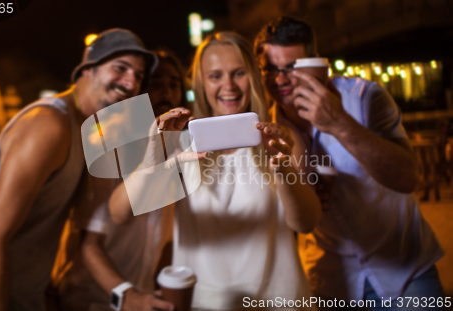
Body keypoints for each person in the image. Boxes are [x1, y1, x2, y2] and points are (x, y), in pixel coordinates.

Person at [109, 32, 322, 310]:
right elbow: (118, 213)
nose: (228, 86)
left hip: (280, 300)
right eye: (215, 76)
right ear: (201, 84)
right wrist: (150, 168)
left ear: (253, 78)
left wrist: (282, 168)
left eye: (238, 73)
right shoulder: (181, 145)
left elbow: (305, 223)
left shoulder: (279, 139)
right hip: (204, 302)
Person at [0, 28, 157, 311]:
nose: (130, 82)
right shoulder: (50, 123)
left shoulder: (87, 132)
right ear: (88, 68)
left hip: (23, 293)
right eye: (120, 68)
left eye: (138, 75)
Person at [254, 16, 445, 309]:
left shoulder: (364, 97)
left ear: (315, 63)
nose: (279, 80)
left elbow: (409, 178)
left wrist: (340, 124)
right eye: (270, 69)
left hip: (407, 270)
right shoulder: (265, 130)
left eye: (291, 68)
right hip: (332, 280)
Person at [55, 49, 188, 311]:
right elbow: (89, 244)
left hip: (142, 298)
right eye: (156, 82)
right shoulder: (109, 147)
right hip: (91, 299)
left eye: (174, 84)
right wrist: (126, 295)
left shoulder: (176, 152)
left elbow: (163, 238)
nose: (167, 92)